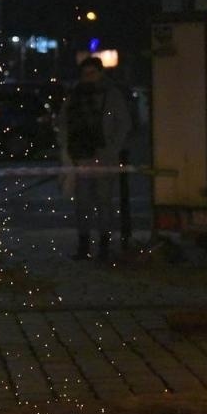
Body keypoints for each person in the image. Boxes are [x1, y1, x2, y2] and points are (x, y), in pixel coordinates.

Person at [60, 55, 133, 261]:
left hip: (103, 155)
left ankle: (103, 246)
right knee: (83, 203)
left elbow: (123, 124)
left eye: (92, 73)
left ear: (100, 73)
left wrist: (112, 149)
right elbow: (65, 123)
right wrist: (67, 150)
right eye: (85, 74)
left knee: (103, 202)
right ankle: (84, 245)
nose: (88, 78)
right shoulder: (75, 96)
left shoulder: (111, 95)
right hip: (81, 155)